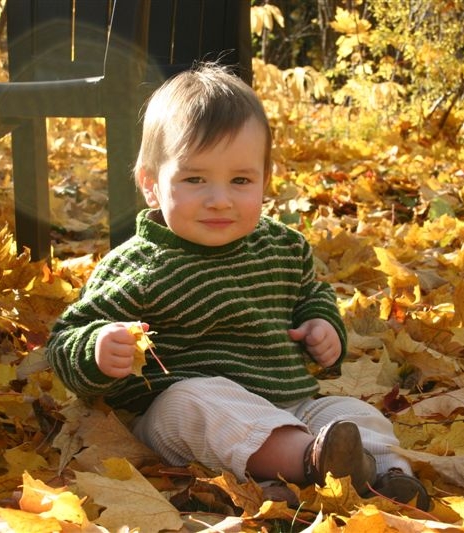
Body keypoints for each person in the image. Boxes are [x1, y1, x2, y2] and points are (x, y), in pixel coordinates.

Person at [46, 62, 430, 510]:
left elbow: (312, 296)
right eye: (194, 179)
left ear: (265, 181)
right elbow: (65, 339)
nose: (220, 199)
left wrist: (321, 326)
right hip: (184, 419)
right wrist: (95, 347)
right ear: (152, 186)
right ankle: (312, 463)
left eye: (240, 181)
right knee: (194, 400)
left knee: (354, 414)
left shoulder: (282, 249)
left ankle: (387, 479)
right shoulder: (140, 266)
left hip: (292, 406)